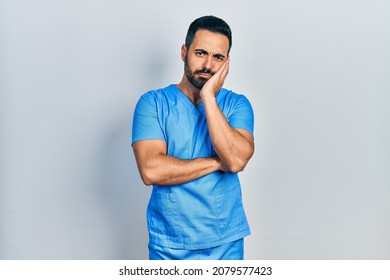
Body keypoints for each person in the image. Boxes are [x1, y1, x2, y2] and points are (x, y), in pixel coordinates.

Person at [131, 15, 254, 260]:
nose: (208, 64)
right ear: (184, 52)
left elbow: (237, 160)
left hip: (225, 244)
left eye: (218, 57)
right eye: (200, 53)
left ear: (226, 62)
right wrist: (218, 162)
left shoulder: (237, 105)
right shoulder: (153, 104)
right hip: (169, 246)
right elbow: (151, 171)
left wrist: (209, 96)